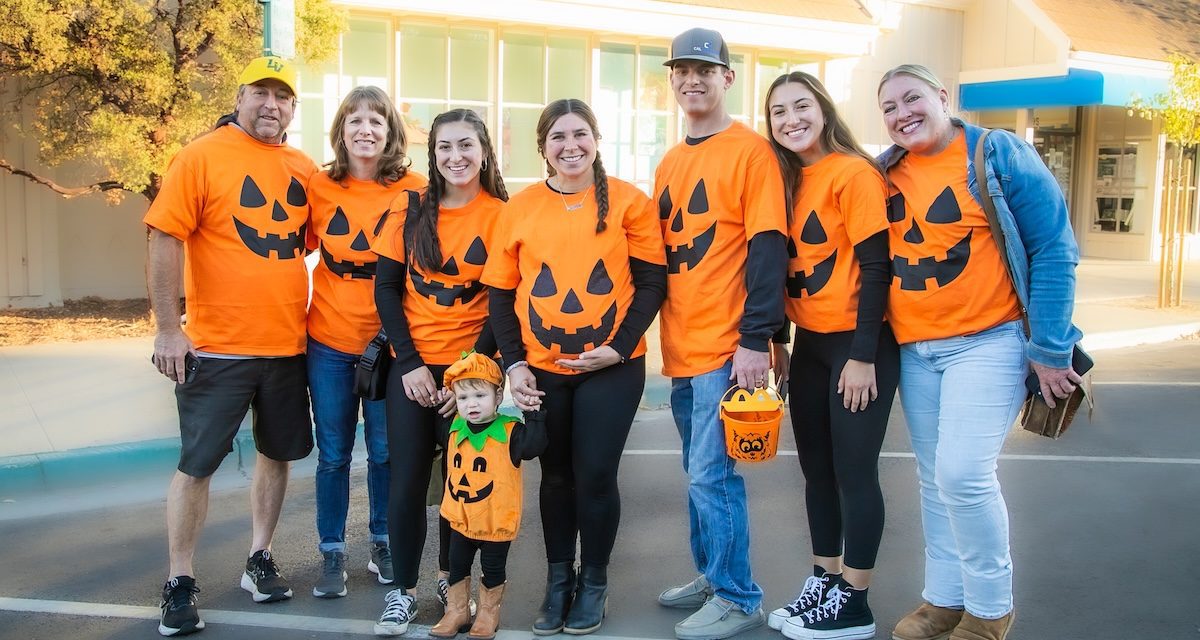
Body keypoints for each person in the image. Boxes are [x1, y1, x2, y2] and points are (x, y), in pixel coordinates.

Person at [875, 64, 1082, 640]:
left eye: (912, 98)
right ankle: (943, 601)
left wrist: (1048, 346)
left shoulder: (998, 154)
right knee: (933, 479)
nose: (902, 114)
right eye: (888, 107)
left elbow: (1054, 250)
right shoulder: (884, 172)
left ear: (942, 96)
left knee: (963, 474)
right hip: (918, 349)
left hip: (988, 341)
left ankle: (990, 610)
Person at [145, 56, 317, 637]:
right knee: (196, 465)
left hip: (288, 345)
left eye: (284, 96)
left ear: (293, 108)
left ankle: (259, 557)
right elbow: (165, 236)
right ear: (240, 97)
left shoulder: (302, 167)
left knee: (276, 454)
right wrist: (169, 327)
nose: (272, 104)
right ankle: (179, 578)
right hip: (216, 349)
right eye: (261, 92)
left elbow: (317, 241)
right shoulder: (201, 156)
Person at [482, 98, 666, 636]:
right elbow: (500, 295)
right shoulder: (518, 209)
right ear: (543, 148)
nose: (571, 146)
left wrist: (621, 345)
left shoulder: (630, 204)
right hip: (541, 369)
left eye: (580, 134)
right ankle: (559, 579)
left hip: (613, 366)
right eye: (558, 137)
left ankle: (595, 582)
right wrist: (514, 365)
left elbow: (653, 282)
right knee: (555, 475)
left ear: (596, 139)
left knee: (594, 473)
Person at [652, 28, 787, 640]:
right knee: (696, 473)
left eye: (705, 70)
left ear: (727, 78)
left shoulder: (751, 153)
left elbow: (767, 249)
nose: (692, 80)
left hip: (727, 346)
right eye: (682, 70)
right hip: (680, 344)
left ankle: (738, 594)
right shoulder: (672, 161)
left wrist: (757, 339)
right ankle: (712, 572)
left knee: (714, 476)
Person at [761, 72, 899, 640]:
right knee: (815, 473)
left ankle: (856, 603)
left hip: (857, 346)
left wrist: (863, 355)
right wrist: (781, 344)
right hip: (812, 346)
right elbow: (779, 270)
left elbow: (875, 267)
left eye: (801, 106)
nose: (790, 120)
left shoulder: (852, 173)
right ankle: (827, 579)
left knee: (853, 472)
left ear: (823, 109)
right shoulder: (784, 181)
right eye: (777, 113)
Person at [371, 108, 508, 636]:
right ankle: (402, 590)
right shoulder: (409, 212)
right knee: (406, 483)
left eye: (466, 146)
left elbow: (502, 301)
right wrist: (407, 364)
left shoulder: (501, 215)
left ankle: (453, 589)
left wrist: (470, 377)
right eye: (446, 147)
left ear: (484, 151)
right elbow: (386, 289)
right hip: (412, 372)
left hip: (468, 373)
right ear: (434, 155)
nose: (456, 157)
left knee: (461, 488)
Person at [306, 86, 428, 598]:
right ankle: (332, 550)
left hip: (390, 343)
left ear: (391, 133)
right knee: (333, 452)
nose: (365, 129)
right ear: (340, 132)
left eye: (376, 121)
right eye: (354, 120)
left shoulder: (415, 189)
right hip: (329, 339)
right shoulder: (318, 187)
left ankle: (381, 539)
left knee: (384, 451)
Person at [430, 353, 547, 640]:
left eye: (480, 396)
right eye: (463, 398)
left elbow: (535, 446)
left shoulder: (511, 432)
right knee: (457, 564)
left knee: (492, 569)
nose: (471, 404)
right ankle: (456, 611)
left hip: (496, 522)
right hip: (461, 518)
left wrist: (534, 414)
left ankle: (488, 613)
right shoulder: (453, 428)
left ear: (498, 396)